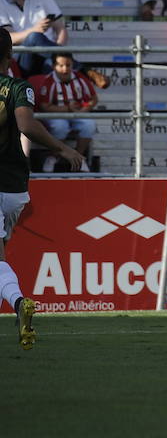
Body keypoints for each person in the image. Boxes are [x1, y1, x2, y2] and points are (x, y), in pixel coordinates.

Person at [0, 30, 85, 348]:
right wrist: (62, 148)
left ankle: (20, 302)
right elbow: (27, 124)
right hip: (14, 189)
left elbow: (24, 126)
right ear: (10, 56)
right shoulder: (18, 88)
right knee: (1, 257)